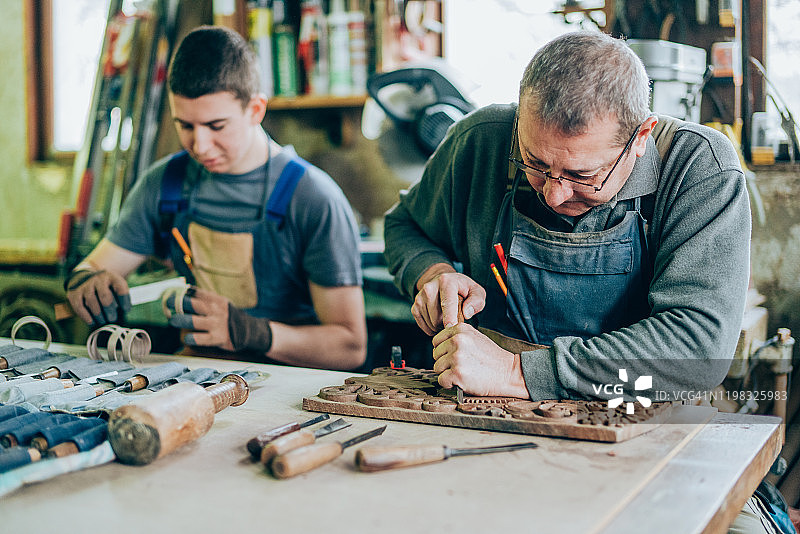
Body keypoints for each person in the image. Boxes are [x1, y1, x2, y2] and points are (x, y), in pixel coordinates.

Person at [65, 26, 366, 371]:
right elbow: (94, 268)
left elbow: (350, 346)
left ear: (255, 109)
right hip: (197, 377)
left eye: (216, 126)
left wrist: (254, 333)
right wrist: (85, 281)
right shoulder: (166, 184)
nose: (200, 146)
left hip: (290, 392)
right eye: (186, 126)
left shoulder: (313, 198)